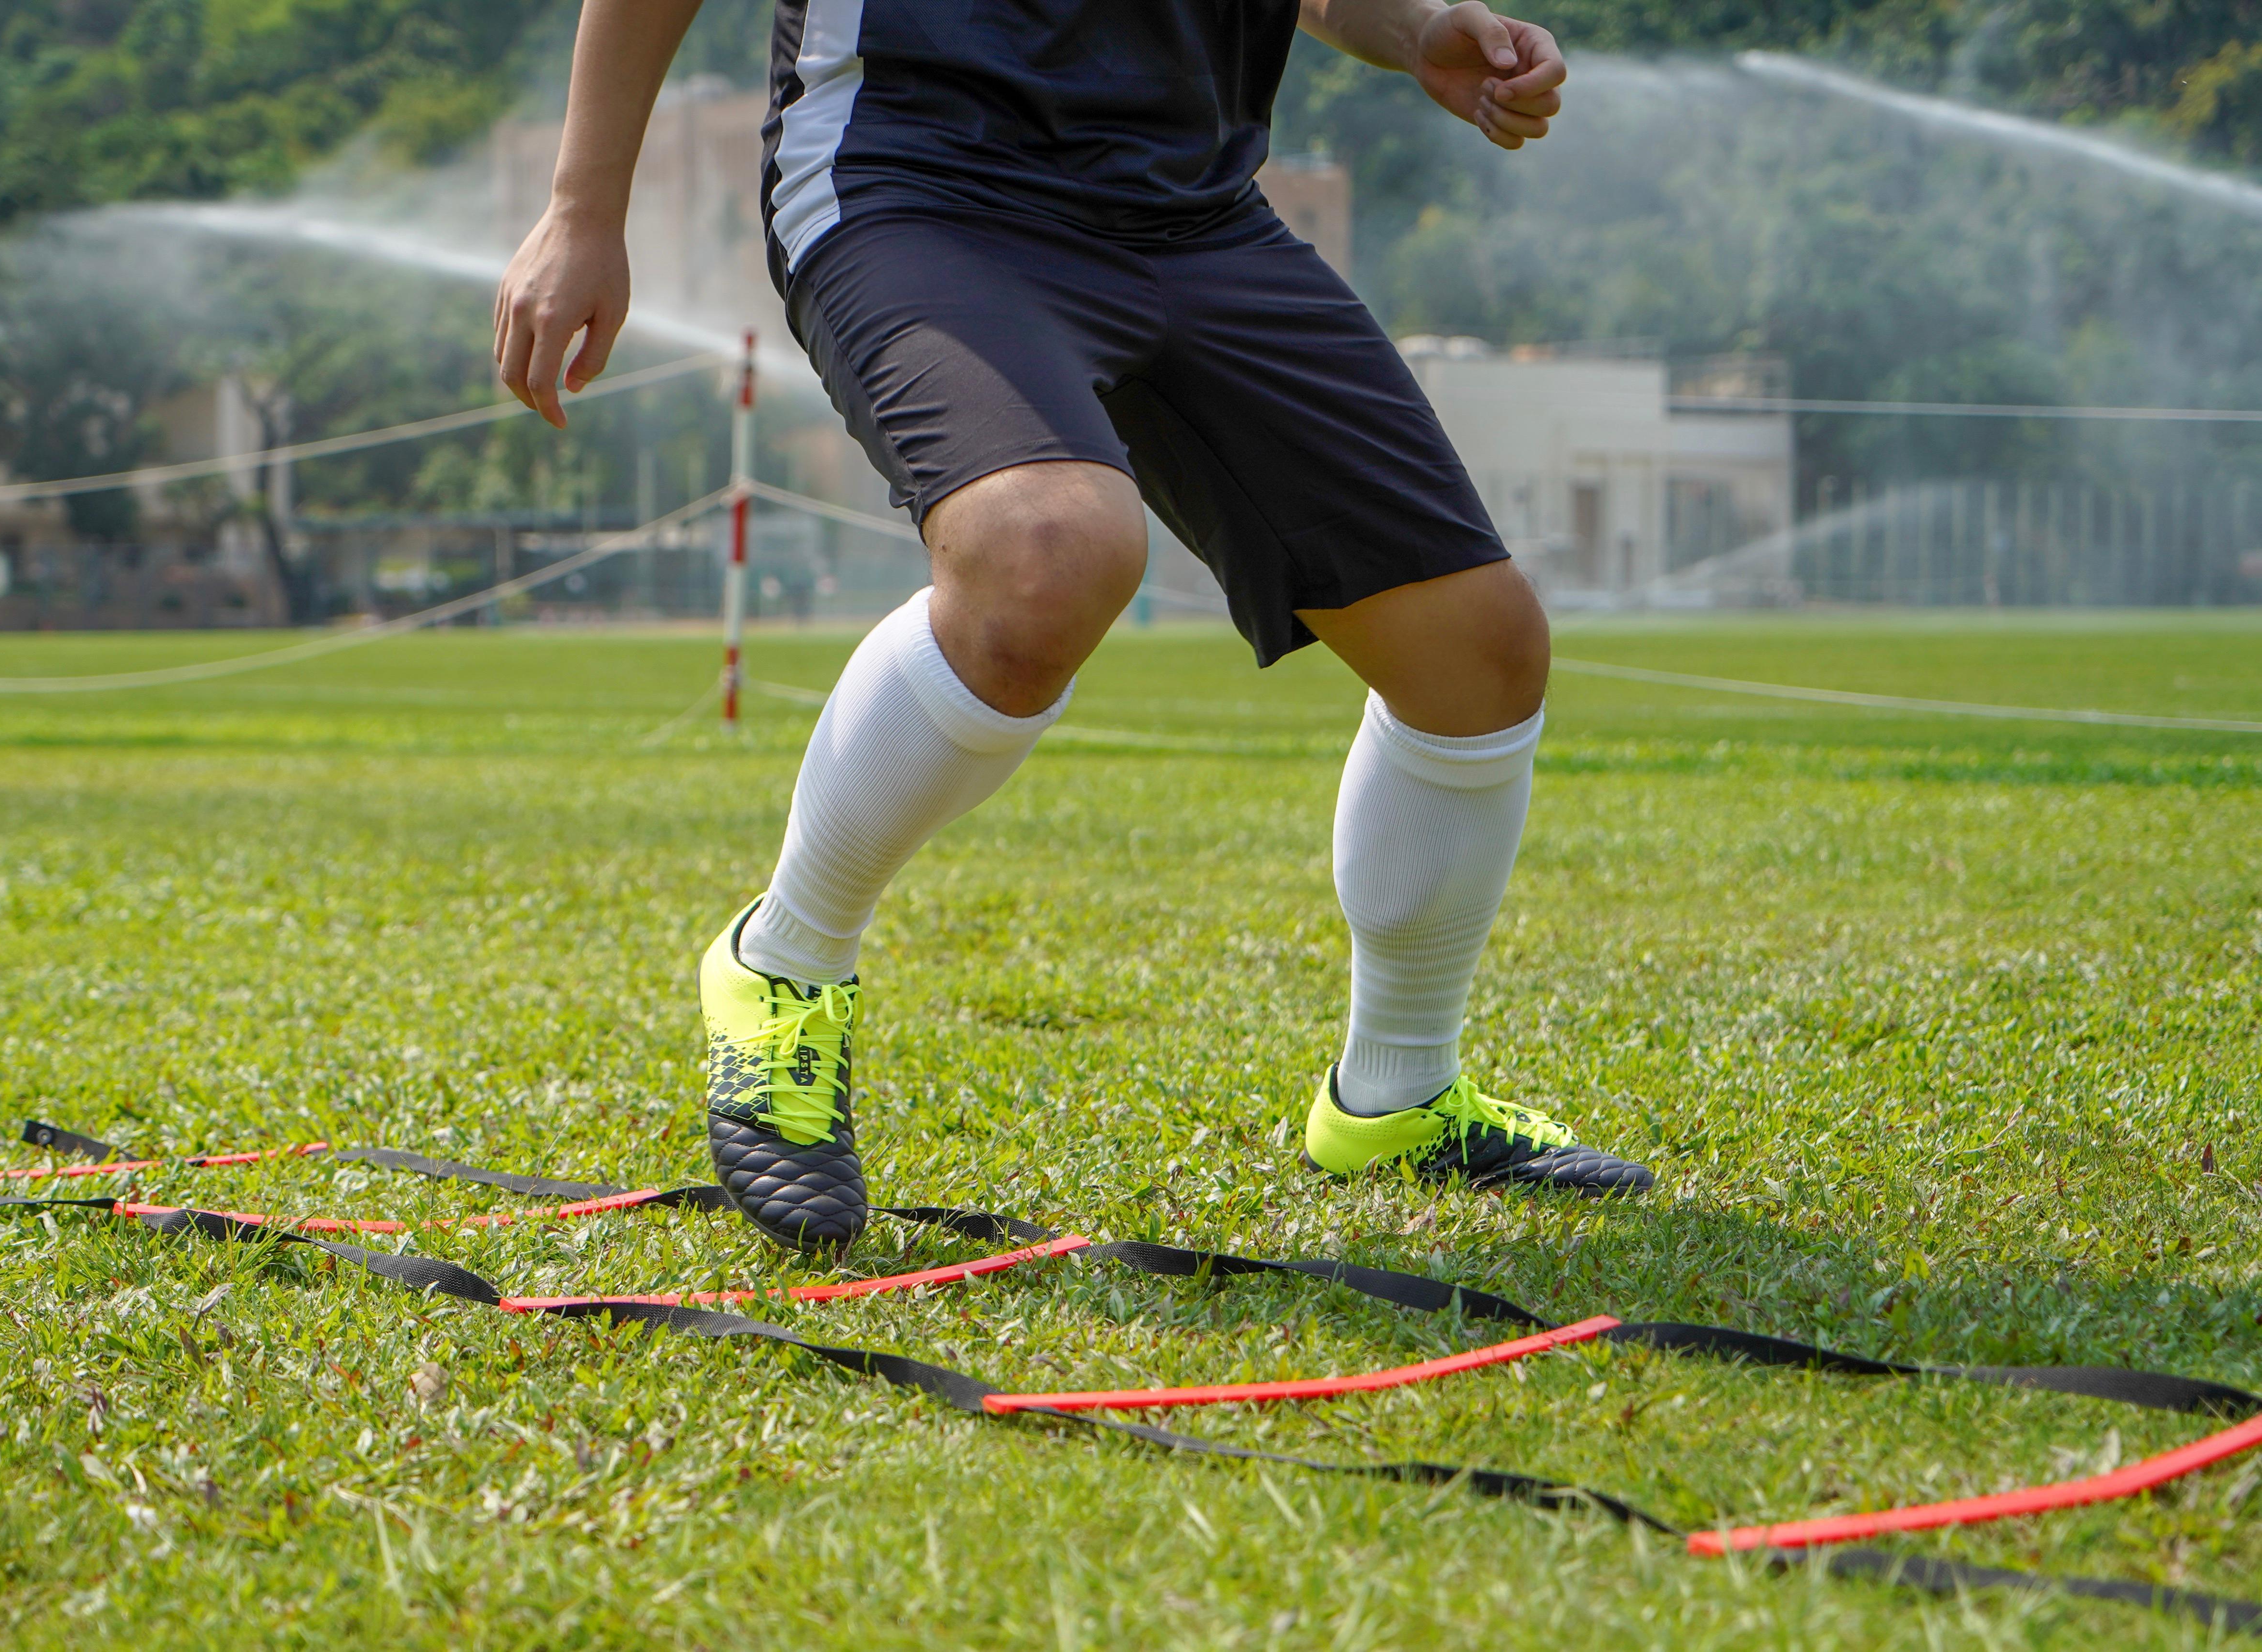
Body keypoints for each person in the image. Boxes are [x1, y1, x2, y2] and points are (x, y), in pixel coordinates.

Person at [496, 0, 1653, 1250]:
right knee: (1046, 553)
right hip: (919, 183)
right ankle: (784, 962)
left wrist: (1418, 28)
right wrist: (581, 207)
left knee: (1478, 649)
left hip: (1196, 211)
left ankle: (1398, 1091)